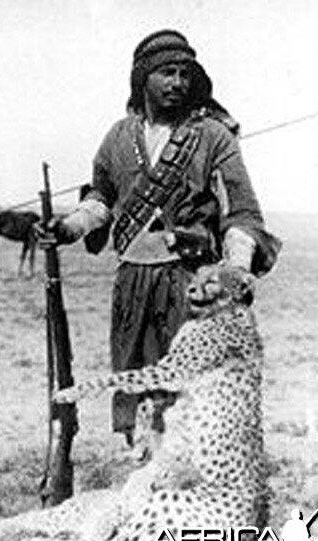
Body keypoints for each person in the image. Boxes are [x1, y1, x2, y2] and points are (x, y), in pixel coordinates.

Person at [38, 29, 281, 445]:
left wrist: (235, 272)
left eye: (185, 73)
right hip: (133, 284)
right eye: (167, 72)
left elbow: (240, 212)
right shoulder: (118, 137)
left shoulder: (212, 137)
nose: (178, 83)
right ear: (142, 79)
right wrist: (68, 227)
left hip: (191, 285)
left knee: (195, 402)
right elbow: (101, 198)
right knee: (138, 393)